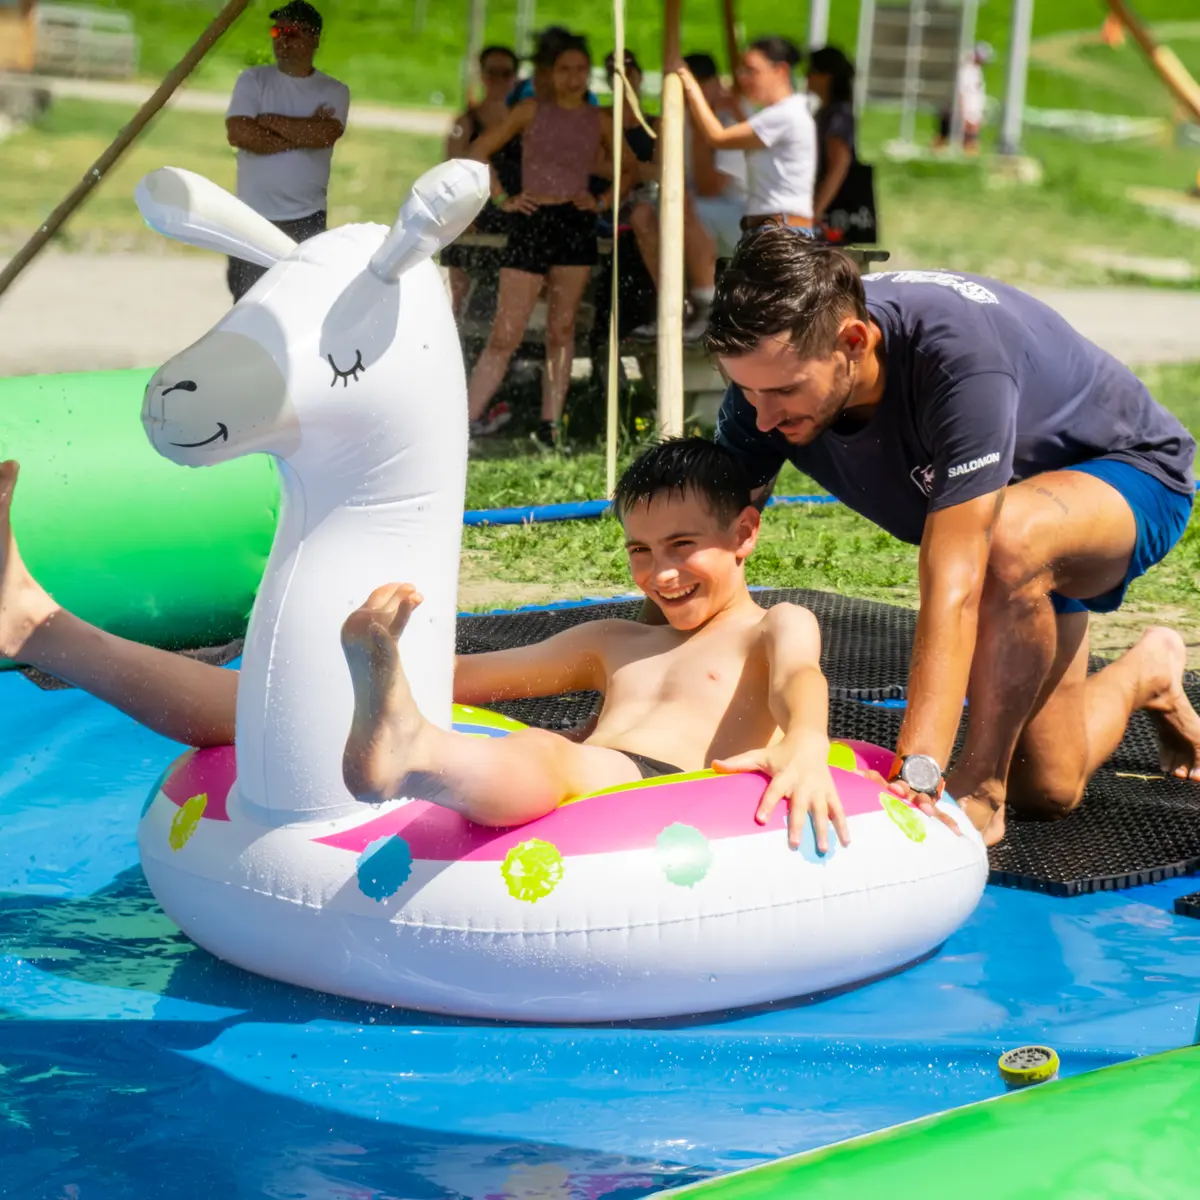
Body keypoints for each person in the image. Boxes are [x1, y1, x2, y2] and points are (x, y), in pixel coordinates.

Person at [0, 443, 850, 851]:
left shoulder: (771, 625)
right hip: (591, 775)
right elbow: (462, 676)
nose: (660, 574)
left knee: (556, 757)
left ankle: (406, 747)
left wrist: (807, 748)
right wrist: (306, 683)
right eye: (639, 550)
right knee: (272, 707)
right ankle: (41, 627)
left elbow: (799, 685)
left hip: (654, 787)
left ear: (744, 533)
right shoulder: (612, 640)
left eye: (683, 546)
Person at [704, 229, 1200, 847]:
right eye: (745, 389)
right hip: (1017, 528)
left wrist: (919, 773)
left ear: (853, 343)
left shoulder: (957, 355)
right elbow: (704, 548)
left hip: (1128, 476)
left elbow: (956, 582)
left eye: (781, 391)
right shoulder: (771, 372)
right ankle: (1147, 673)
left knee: (1006, 545)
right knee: (1049, 789)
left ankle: (983, 795)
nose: (763, 417)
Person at [465, 35, 623, 452]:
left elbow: (631, 170)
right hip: (532, 220)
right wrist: (502, 198)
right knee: (506, 331)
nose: (573, 78)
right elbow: (479, 149)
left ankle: (550, 426)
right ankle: (464, 420)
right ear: (550, 74)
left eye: (580, 70)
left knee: (562, 328)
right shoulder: (530, 109)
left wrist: (602, 200)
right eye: (565, 69)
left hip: (574, 222)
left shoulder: (599, 118)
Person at [223, 1, 350, 302]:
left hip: (306, 218)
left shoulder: (334, 90)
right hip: (252, 216)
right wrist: (302, 133)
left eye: (292, 33)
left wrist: (267, 121)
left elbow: (325, 134)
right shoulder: (253, 80)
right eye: (277, 30)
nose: (282, 39)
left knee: (297, 302)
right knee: (246, 304)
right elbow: (239, 133)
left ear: (314, 39)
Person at [676, 37, 816, 234]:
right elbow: (750, 133)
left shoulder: (785, 115)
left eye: (752, 70)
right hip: (774, 228)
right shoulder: (782, 113)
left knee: (683, 213)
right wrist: (734, 107)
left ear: (781, 71)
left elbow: (717, 137)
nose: (743, 78)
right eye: (743, 71)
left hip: (782, 233)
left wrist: (689, 84)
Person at [441, 44, 522, 320]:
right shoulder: (466, 122)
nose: (498, 80)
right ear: (482, 75)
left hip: (516, 213)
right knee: (461, 297)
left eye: (505, 73)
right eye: (492, 72)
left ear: (515, 76)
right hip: (475, 212)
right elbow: (450, 173)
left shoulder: (522, 121)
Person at [806, 45, 871, 243]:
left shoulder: (837, 115)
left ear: (826, 76)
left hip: (832, 211)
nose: (807, 77)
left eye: (811, 71)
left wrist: (815, 211)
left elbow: (839, 164)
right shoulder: (828, 112)